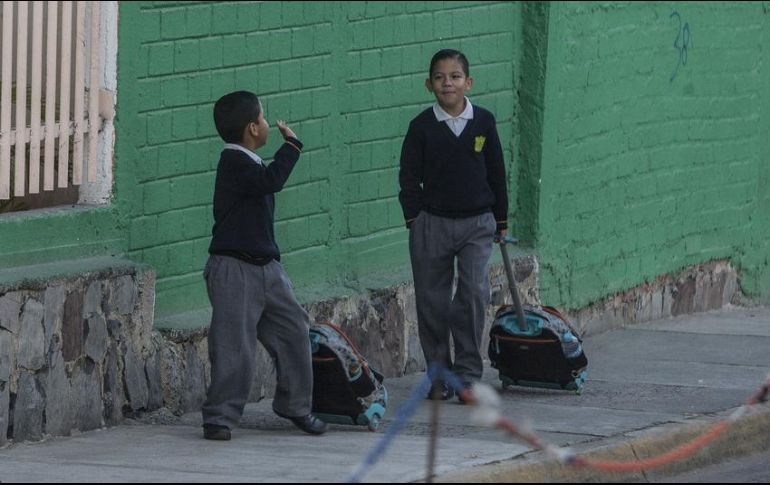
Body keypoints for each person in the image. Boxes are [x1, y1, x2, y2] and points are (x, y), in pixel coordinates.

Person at [201, 91, 327, 440]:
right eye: (264, 117)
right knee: (234, 346)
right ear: (253, 127)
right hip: (233, 269)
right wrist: (292, 146)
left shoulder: (250, 161)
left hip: (267, 268)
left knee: (294, 331)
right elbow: (271, 182)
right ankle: (220, 417)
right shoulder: (234, 163)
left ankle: (295, 405)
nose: (269, 122)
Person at [398, 49, 508, 403]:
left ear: (468, 82)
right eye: (441, 77)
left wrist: (500, 220)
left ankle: (467, 376)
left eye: (456, 76)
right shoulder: (421, 127)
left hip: (477, 223)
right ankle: (438, 375)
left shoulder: (484, 122)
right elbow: (408, 176)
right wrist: (415, 220)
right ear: (428, 84)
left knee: (473, 294)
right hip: (433, 224)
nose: (448, 83)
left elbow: (497, 173)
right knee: (432, 301)